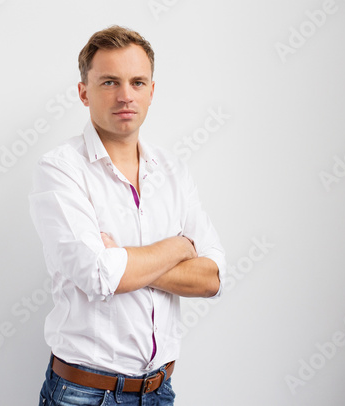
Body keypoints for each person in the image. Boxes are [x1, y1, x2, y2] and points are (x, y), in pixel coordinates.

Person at [29, 25, 226, 406]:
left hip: (159, 391)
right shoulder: (60, 169)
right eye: (109, 82)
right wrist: (180, 246)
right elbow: (99, 275)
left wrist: (124, 260)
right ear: (84, 92)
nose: (125, 95)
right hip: (83, 393)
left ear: (152, 91)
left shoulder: (174, 171)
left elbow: (211, 278)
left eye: (137, 82)